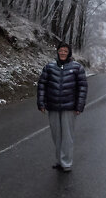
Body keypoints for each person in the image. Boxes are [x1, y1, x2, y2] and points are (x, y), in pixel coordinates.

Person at [37, 41, 88, 171]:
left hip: (69, 108)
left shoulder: (77, 67)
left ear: (69, 53)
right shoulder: (49, 67)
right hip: (53, 107)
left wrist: (79, 106)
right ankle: (60, 161)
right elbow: (42, 85)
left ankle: (66, 163)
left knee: (67, 136)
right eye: (61, 50)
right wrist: (41, 103)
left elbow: (82, 87)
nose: (63, 53)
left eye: (65, 51)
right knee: (56, 136)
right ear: (57, 52)